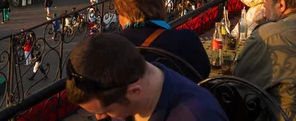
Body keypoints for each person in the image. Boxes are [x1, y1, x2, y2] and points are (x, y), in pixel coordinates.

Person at [66, 33, 228, 121]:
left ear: (135, 91)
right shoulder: (133, 97)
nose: (99, 117)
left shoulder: (196, 115)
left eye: (108, 110)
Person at [113, 0, 210, 82]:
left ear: (123, 14)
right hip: (177, 97)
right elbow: (203, 73)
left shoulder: (111, 47)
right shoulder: (187, 39)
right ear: (159, 4)